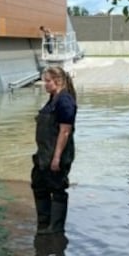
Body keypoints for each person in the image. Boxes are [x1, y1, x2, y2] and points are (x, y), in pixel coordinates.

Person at [32, 66, 77, 234]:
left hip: (57, 154)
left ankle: (56, 228)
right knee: (38, 184)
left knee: (57, 188)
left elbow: (65, 131)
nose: (45, 84)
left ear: (57, 81)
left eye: (48, 81)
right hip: (43, 153)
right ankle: (44, 222)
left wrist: (57, 158)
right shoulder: (53, 98)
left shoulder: (65, 100)